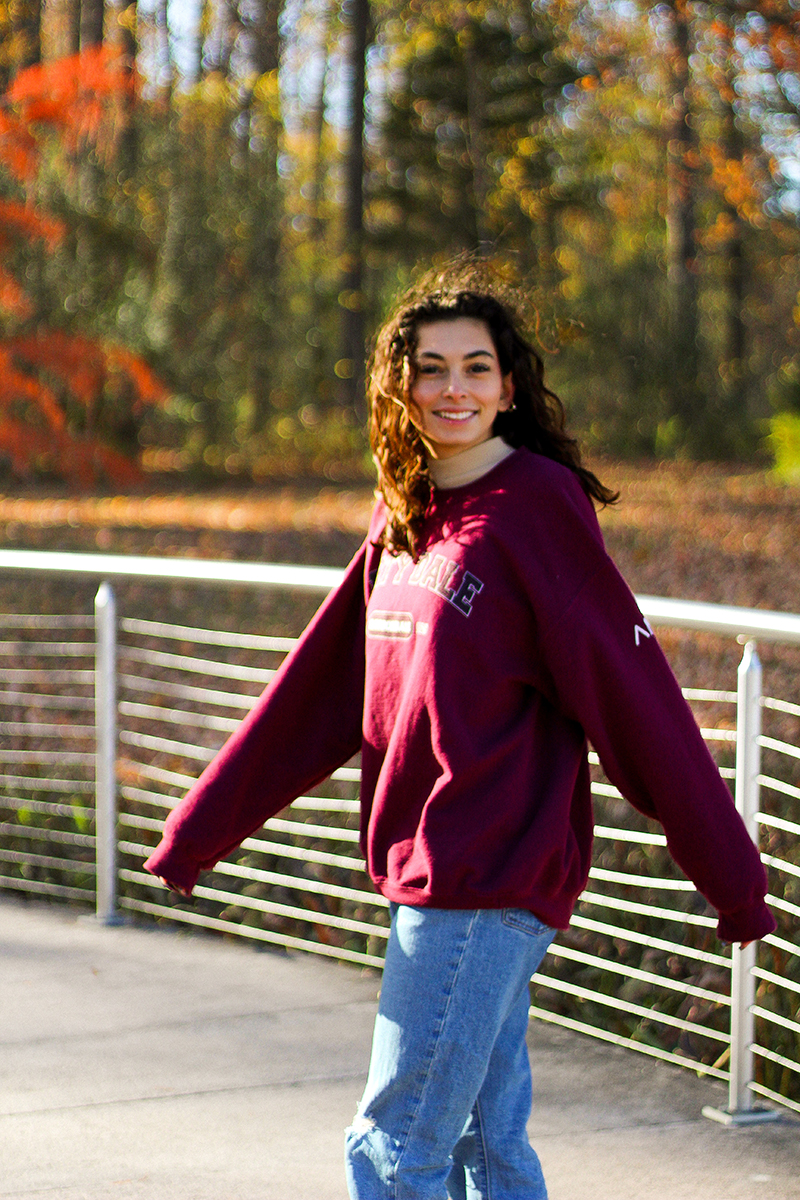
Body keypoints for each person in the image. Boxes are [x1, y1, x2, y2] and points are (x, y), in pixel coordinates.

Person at [144, 261, 775, 1200]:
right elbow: (316, 691)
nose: (454, 389)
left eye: (476, 368)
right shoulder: (404, 514)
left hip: (486, 879)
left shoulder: (537, 514)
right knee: (488, 1147)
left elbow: (638, 703)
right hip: (424, 879)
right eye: (432, 368)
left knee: (392, 1148)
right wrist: (199, 830)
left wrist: (732, 878)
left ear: (509, 385)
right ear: (400, 384)